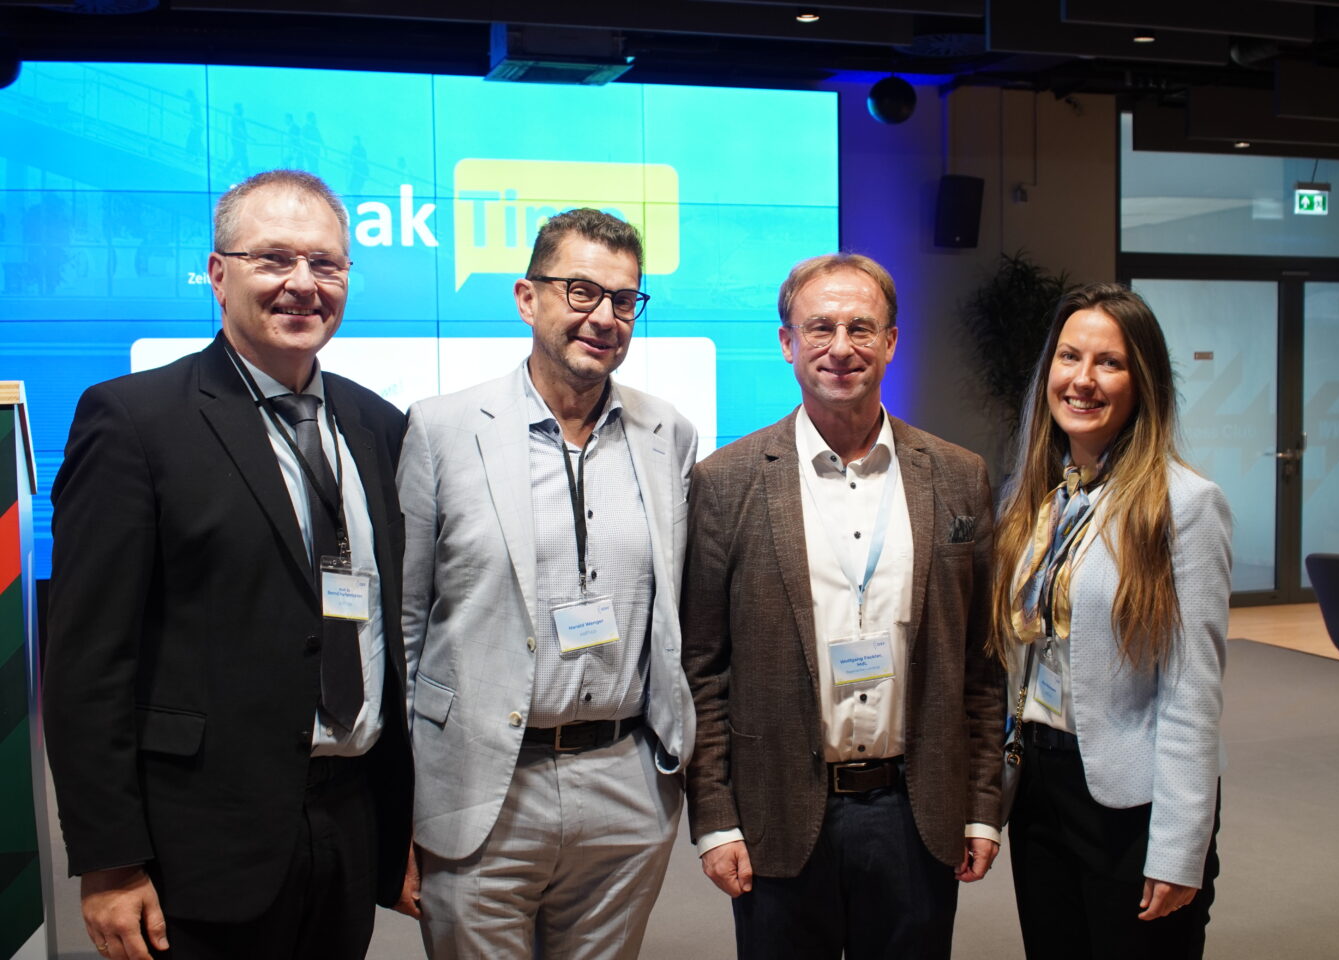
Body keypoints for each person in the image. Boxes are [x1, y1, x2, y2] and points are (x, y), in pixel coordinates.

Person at [44, 169, 415, 960]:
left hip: (348, 826)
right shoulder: (135, 420)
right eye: (273, 259)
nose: (302, 285)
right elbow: (88, 660)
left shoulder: (379, 424)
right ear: (218, 274)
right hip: (200, 842)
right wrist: (110, 860)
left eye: (326, 264)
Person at [681, 252, 1007, 959]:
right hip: (778, 815)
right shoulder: (726, 482)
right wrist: (714, 818)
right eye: (819, 327)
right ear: (787, 343)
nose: (840, 348)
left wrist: (983, 807)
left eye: (861, 328)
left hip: (916, 811)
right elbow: (702, 670)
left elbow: (982, 664)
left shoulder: (958, 476)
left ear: (891, 342)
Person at [398, 208, 696, 959]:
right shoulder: (441, 430)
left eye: (624, 300)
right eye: (581, 291)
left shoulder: (670, 435)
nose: (604, 317)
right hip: (483, 787)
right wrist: (393, 806)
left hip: (626, 784)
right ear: (527, 298)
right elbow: (403, 627)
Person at [992, 282, 1231, 959]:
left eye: (1110, 363)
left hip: (1131, 807)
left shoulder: (1184, 505)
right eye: (1070, 357)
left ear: (1143, 381)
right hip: (1039, 791)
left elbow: (1193, 691)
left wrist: (1181, 848)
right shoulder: (1040, 497)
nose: (1083, 380)